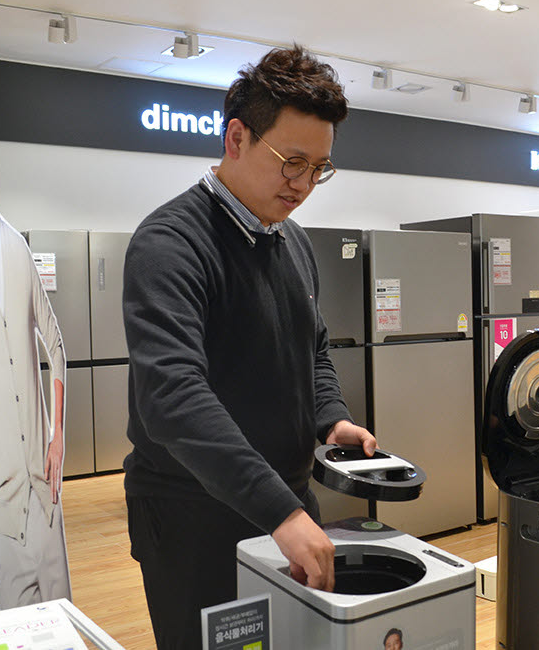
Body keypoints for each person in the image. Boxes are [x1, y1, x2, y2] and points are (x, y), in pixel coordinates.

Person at [122, 45, 376, 649]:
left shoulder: (293, 243)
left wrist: (331, 418)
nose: (305, 184)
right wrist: (282, 513)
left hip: (284, 501)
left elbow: (310, 348)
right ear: (236, 137)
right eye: (292, 162)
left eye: (319, 167)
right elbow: (173, 398)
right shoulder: (169, 245)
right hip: (193, 515)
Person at [0, 204, 70, 608]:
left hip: (43, 481)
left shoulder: (16, 248)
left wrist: (57, 436)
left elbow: (56, 344)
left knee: (63, 613)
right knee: (15, 624)